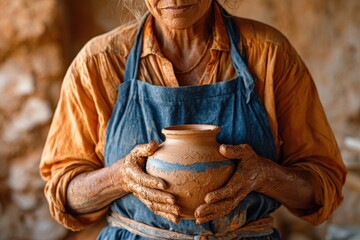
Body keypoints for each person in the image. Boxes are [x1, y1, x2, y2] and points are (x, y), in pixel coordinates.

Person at [40, 0, 347, 239]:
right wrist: (121, 178)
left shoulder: (269, 55)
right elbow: (65, 196)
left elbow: (322, 186)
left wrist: (264, 175)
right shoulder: (99, 62)